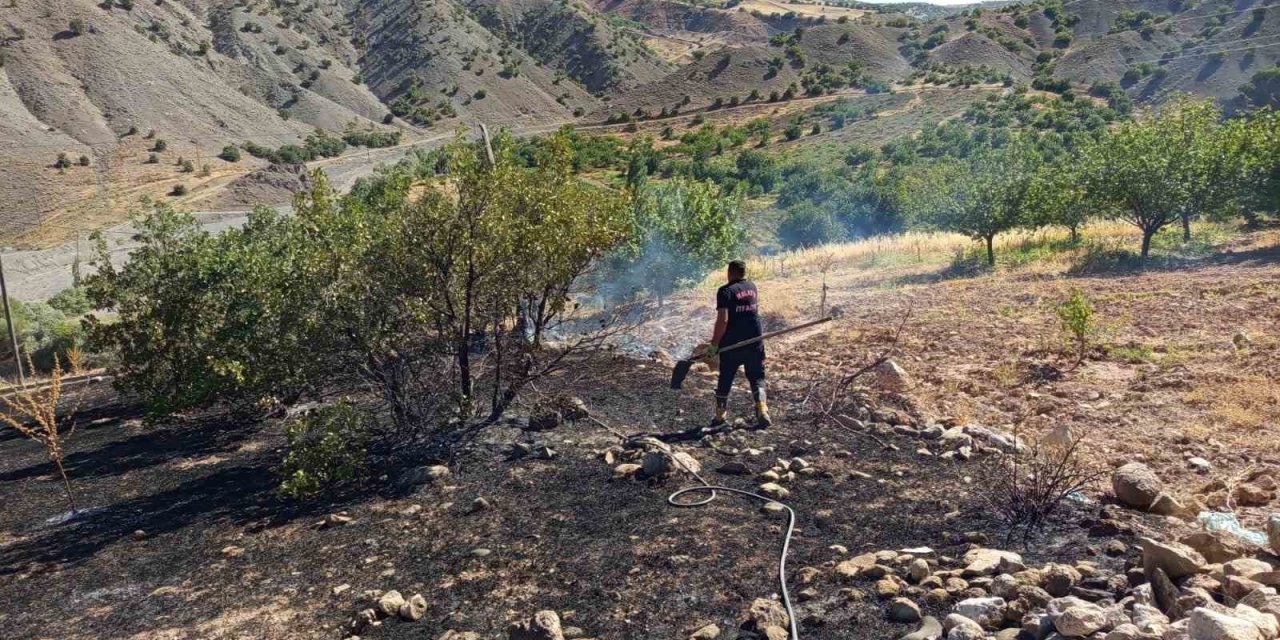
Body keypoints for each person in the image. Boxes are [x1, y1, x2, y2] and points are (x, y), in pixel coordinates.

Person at [708, 259, 770, 429]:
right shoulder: (752, 287)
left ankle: (720, 417)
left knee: (726, 378)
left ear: (729, 272)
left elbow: (723, 320)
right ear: (744, 272)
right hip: (755, 341)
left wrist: (714, 344)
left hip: (732, 344)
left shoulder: (725, 291)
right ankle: (762, 410)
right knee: (757, 377)